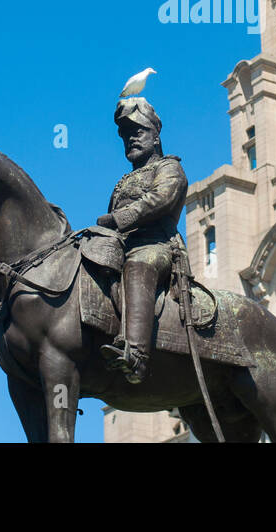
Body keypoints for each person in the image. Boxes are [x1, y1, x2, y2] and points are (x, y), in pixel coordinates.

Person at [96, 96, 188, 384]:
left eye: (138, 132)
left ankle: (135, 355)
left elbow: (159, 199)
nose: (131, 139)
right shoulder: (123, 181)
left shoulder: (169, 168)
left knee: (138, 266)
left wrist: (119, 219)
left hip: (156, 246)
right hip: (121, 246)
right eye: (126, 135)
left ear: (155, 135)